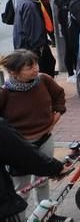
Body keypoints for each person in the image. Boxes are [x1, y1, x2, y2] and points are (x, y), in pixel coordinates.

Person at [0, 50, 65, 208]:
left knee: (42, 181)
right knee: (21, 189)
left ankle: (45, 213)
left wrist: (56, 115)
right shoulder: (4, 93)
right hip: (19, 149)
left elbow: (59, 95)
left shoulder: (43, 80)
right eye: (29, 67)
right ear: (13, 72)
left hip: (45, 139)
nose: (36, 68)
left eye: (36, 64)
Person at [0, 117, 68, 222]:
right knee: (21, 190)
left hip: (41, 135)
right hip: (3, 207)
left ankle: (48, 215)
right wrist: (56, 168)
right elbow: (23, 154)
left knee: (38, 185)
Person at [12, 0, 55, 77]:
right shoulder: (30, 5)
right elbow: (32, 30)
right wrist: (38, 50)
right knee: (44, 71)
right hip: (34, 48)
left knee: (50, 63)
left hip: (29, 46)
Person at [54, 0, 76, 80]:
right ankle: (70, 73)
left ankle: (74, 70)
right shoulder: (63, 0)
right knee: (70, 49)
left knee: (73, 49)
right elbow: (63, 16)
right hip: (68, 28)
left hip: (69, 28)